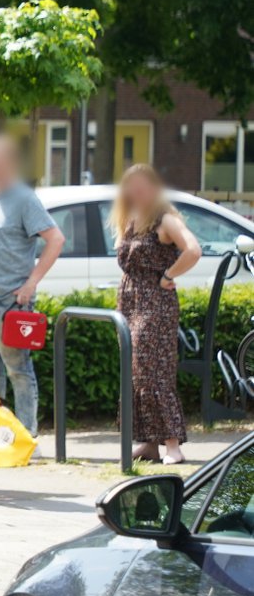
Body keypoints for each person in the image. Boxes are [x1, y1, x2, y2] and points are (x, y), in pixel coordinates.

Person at [0, 135, 65, 434]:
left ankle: (26, 433)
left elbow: (56, 239)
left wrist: (30, 284)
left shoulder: (23, 197)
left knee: (17, 369)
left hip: (10, 301)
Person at [112, 164, 201, 465]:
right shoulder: (131, 219)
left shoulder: (166, 219)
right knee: (137, 371)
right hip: (130, 302)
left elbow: (193, 250)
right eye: (131, 187)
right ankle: (149, 442)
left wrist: (168, 274)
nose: (136, 192)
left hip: (155, 303)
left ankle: (172, 445)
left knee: (155, 371)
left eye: (142, 186)